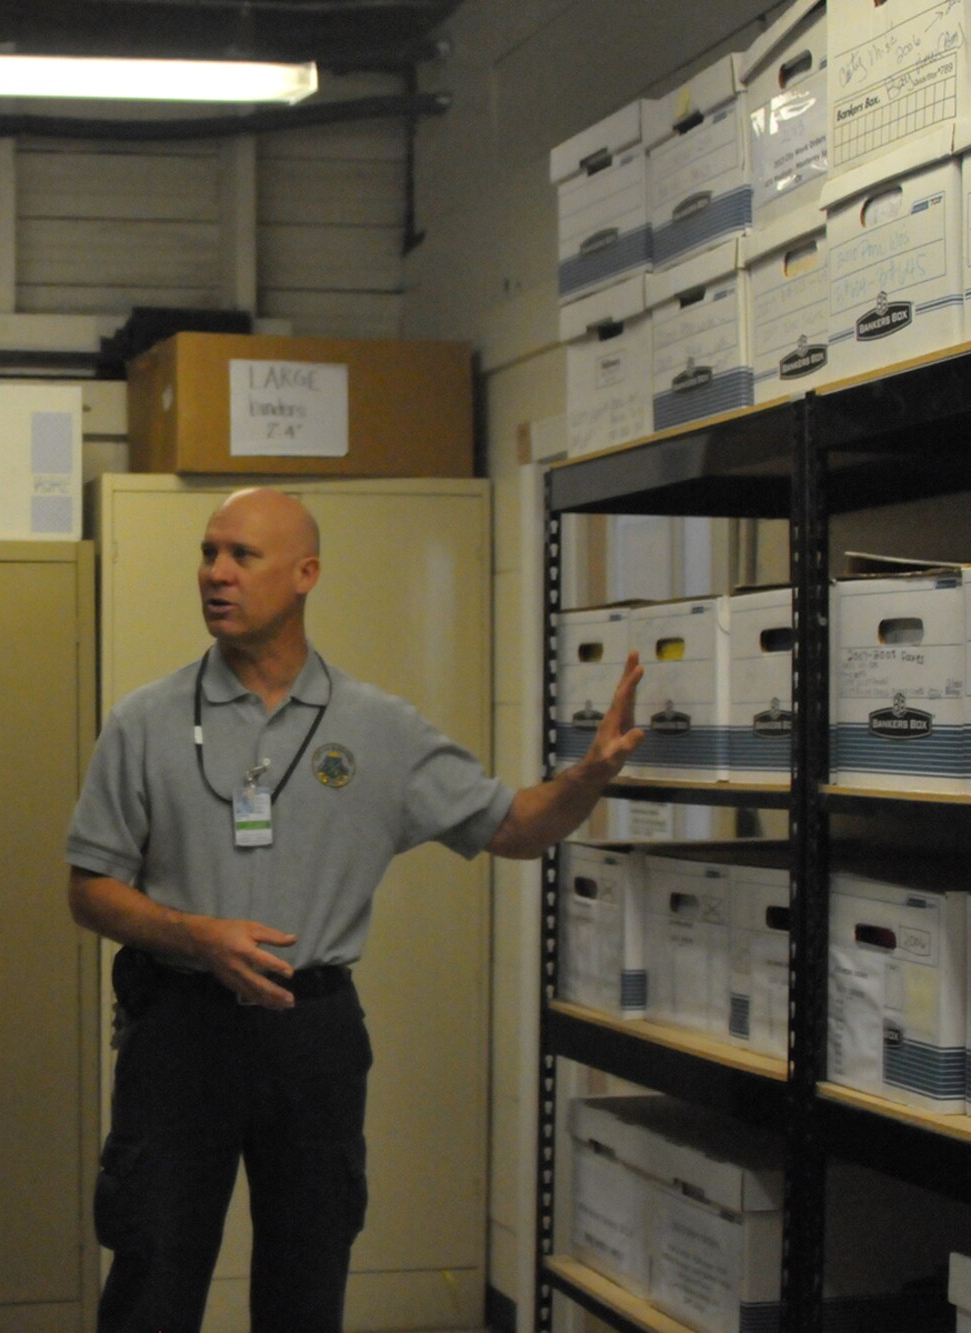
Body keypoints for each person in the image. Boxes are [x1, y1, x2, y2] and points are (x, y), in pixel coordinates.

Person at [67, 486, 643, 1333]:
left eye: (241, 555)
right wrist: (196, 934)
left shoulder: (379, 729)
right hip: (178, 1034)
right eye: (207, 552)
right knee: (152, 1279)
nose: (215, 573)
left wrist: (588, 778)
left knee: (308, 1282)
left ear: (306, 574)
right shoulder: (144, 722)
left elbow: (515, 825)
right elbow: (89, 890)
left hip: (312, 1036)